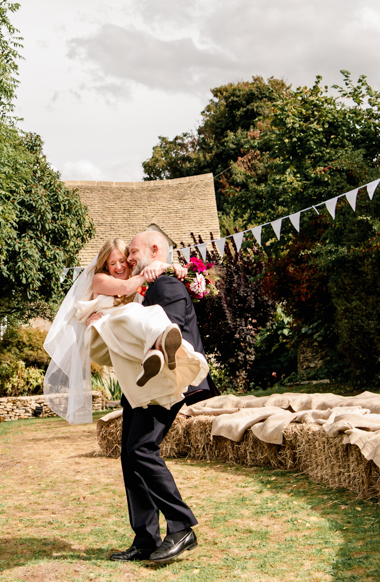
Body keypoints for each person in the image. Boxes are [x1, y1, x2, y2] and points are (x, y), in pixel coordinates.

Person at [108, 230, 218, 564]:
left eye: (134, 251)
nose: (129, 258)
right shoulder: (151, 286)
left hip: (164, 385)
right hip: (141, 386)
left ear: (155, 250)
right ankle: (145, 539)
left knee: (142, 449)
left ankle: (181, 526)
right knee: (131, 455)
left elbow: (171, 339)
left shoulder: (165, 286)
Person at [43, 239, 208, 425]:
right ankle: (162, 341)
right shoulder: (100, 279)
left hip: (124, 337)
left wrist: (172, 267)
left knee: (145, 315)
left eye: (122, 261)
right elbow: (125, 288)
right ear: (105, 265)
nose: (119, 267)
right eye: (112, 263)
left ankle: (158, 355)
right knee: (133, 312)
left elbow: (141, 281)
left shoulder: (135, 279)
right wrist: (157, 268)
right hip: (101, 335)